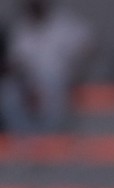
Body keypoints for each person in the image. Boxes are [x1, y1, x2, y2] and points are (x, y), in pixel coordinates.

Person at [3, 0, 93, 133]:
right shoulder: (21, 27)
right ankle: (23, 141)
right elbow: (17, 62)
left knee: (51, 95)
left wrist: (77, 70)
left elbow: (89, 47)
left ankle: (49, 140)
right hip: (27, 84)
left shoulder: (66, 23)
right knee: (8, 94)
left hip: (58, 83)